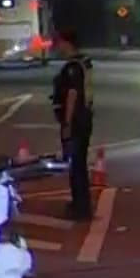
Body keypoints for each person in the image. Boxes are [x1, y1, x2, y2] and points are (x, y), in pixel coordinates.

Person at [50, 29, 95, 219]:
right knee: (79, 164)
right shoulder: (84, 62)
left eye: (60, 43)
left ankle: (80, 208)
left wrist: (67, 122)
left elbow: (72, 94)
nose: (58, 47)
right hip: (85, 117)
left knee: (76, 164)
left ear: (67, 43)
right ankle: (81, 203)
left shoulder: (73, 67)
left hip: (76, 121)